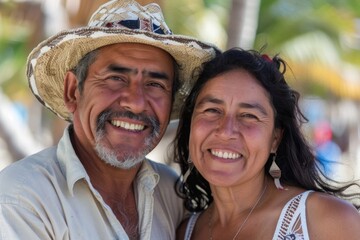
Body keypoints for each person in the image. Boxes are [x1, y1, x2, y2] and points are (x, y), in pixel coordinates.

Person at [0, 0, 219, 239]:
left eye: (155, 84)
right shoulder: (22, 198)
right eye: (116, 78)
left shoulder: (172, 193)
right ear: (73, 91)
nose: (136, 102)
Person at [173, 48, 360, 240]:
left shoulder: (327, 222)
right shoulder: (184, 232)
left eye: (248, 116)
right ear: (190, 126)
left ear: (275, 139)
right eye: (212, 110)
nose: (226, 131)